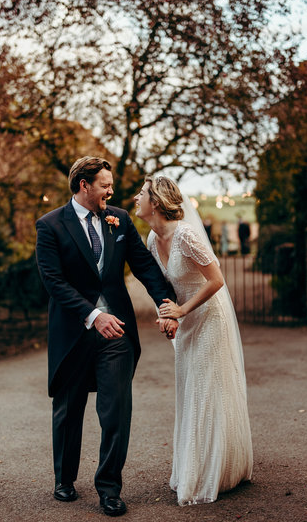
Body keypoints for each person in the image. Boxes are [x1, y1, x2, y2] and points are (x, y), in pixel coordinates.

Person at [35, 156, 179, 517]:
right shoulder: (50, 225)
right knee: (68, 411)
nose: (111, 191)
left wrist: (166, 304)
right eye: (105, 185)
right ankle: (64, 479)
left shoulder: (120, 219)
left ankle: (109, 489)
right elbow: (54, 282)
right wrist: (93, 315)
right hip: (73, 333)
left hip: (116, 335)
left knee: (116, 411)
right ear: (84, 185)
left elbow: (144, 266)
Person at [132, 175, 253, 506]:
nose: (136, 198)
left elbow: (216, 280)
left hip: (209, 318)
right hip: (185, 321)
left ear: (155, 202)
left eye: (141, 194)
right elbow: (164, 288)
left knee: (207, 387)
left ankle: (213, 471)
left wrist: (182, 309)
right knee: (190, 389)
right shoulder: (151, 240)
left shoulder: (186, 235)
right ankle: (196, 466)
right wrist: (170, 315)